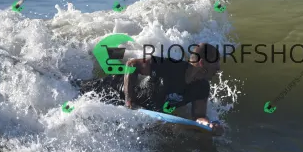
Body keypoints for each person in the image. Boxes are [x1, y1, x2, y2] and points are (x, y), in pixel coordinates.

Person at [77, 43, 224, 135]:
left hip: (139, 108)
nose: (218, 70)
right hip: (110, 89)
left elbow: (198, 116)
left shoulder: (202, 87)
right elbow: (132, 64)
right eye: (216, 65)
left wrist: (209, 125)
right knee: (75, 91)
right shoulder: (170, 66)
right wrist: (129, 100)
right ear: (202, 63)